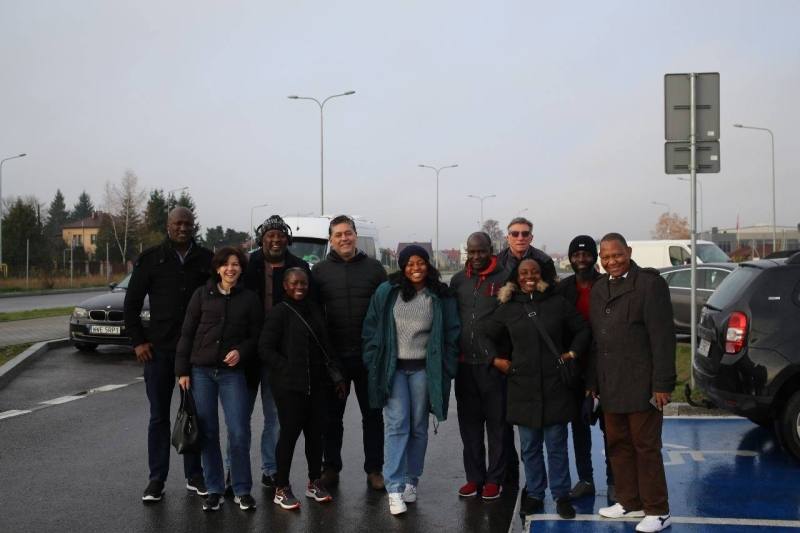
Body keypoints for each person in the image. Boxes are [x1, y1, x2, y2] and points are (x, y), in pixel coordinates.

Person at [480, 257, 589, 519]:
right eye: (524, 272)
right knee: (529, 447)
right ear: (517, 278)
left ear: (543, 276)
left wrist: (572, 353)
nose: (529, 276)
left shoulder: (557, 303)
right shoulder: (507, 307)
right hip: (523, 386)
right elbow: (482, 334)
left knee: (556, 445)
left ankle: (561, 496)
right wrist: (495, 360)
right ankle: (535, 494)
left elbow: (583, 330)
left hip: (555, 386)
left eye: (535, 272)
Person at [588, 233, 676, 533]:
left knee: (645, 446)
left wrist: (662, 384)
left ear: (629, 252)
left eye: (617, 255)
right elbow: (597, 341)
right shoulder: (600, 288)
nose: (611, 261)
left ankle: (658, 510)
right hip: (611, 384)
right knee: (618, 445)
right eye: (606, 256)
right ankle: (629, 501)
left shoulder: (650, 285)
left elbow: (663, 339)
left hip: (642, 384)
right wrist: (593, 382)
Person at [362, 245, 460, 516]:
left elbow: (452, 333)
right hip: (393, 370)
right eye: (409, 264)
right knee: (396, 425)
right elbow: (370, 327)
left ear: (428, 265)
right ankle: (394, 488)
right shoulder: (387, 292)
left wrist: (447, 367)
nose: (415, 268)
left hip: (423, 371)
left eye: (420, 263)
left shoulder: (440, 296)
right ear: (402, 266)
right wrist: (372, 358)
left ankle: (410, 481)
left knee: (418, 426)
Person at [124, 207, 212, 503]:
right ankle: (156, 479)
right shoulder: (150, 259)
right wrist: (138, 342)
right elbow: (131, 304)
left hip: (196, 352)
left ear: (193, 226)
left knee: (195, 415)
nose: (183, 228)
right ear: (168, 225)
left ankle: (195, 475)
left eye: (188, 223)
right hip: (159, 352)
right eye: (178, 223)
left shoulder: (206, 260)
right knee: (159, 416)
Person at [175, 246, 263, 512]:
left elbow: (257, 336)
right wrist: (182, 371)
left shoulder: (249, 299)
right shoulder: (202, 295)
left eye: (235, 264)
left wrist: (242, 351)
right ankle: (213, 489)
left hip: (232, 374)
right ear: (217, 268)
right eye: (226, 264)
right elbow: (187, 333)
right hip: (201, 372)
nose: (230, 269)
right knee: (209, 432)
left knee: (238, 431)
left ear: (241, 268)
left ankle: (241, 489)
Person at [259, 268, 346, 510]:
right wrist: (287, 368)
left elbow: (326, 345)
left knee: (315, 436)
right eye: (294, 283)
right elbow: (265, 348)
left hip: (318, 385)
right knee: (288, 436)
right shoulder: (278, 313)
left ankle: (314, 482)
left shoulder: (314, 310)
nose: (300, 286)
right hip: (289, 387)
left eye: (304, 283)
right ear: (285, 286)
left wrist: (338, 377)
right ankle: (281, 487)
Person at [312, 215, 388, 490]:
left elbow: (386, 312)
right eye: (338, 235)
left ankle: (374, 470)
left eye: (348, 233)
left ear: (356, 235)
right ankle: (330, 467)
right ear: (330, 239)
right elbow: (312, 314)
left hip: (368, 357)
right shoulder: (319, 272)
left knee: (373, 416)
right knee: (331, 418)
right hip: (334, 360)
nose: (344, 238)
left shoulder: (375, 269)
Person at [239, 214, 312, 491]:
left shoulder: (299, 267)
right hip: (246, 354)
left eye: (280, 235)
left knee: (276, 419)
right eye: (270, 235)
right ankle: (235, 471)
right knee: (239, 420)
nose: (275, 239)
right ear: (262, 238)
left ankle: (270, 470)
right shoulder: (247, 264)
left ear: (287, 239)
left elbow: (308, 310)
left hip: (280, 357)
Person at [450, 232, 511, 500]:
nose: (476, 257)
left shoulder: (505, 278)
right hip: (465, 366)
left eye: (481, 251)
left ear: (491, 250)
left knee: (497, 426)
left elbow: (512, 322)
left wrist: (503, 357)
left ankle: (494, 479)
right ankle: (474, 478)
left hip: (494, 366)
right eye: (471, 252)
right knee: (470, 428)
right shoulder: (457, 280)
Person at [554, 235, 615, 502]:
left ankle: (615, 481)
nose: (581, 259)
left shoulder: (608, 285)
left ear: (595, 257)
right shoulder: (563, 289)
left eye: (587, 254)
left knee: (610, 428)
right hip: (575, 368)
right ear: (570, 259)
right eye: (576, 255)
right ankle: (586, 479)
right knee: (579, 428)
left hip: (607, 367)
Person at [496, 217, 557, 284]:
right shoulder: (498, 262)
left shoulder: (545, 261)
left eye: (525, 234)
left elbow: (552, 289)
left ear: (531, 238)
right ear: (507, 238)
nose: (520, 238)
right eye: (515, 234)